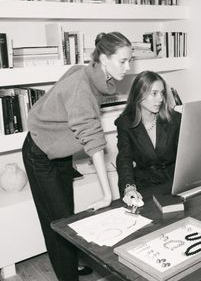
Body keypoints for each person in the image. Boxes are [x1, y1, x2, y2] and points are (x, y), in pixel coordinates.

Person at [22, 32, 132, 281]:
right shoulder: (82, 87)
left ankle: (68, 265)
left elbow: (63, 97)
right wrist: (107, 194)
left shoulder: (89, 74)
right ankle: (67, 276)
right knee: (57, 222)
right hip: (39, 153)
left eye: (130, 60)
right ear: (104, 59)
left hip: (59, 152)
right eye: (123, 61)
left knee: (67, 217)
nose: (128, 67)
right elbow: (93, 140)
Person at [114, 71, 181, 207]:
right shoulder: (125, 123)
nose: (161, 99)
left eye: (162, 93)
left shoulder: (174, 118)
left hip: (174, 183)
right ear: (139, 94)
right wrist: (129, 187)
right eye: (154, 93)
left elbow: (187, 153)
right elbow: (124, 158)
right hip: (145, 187)